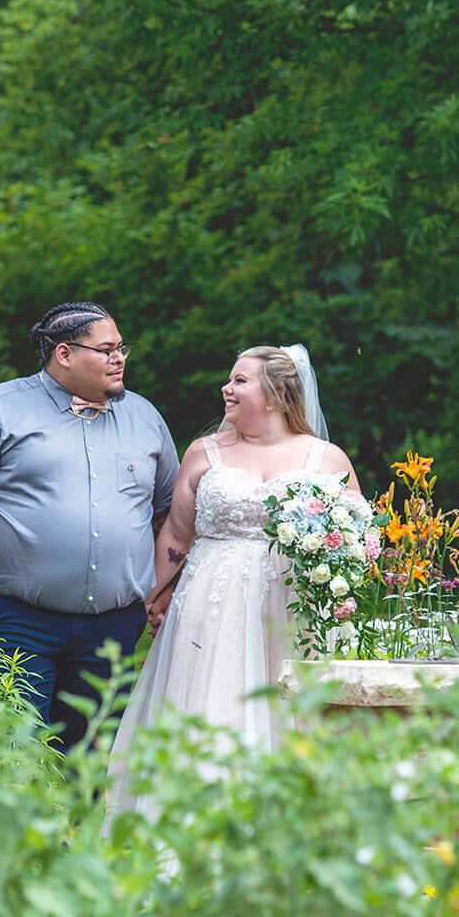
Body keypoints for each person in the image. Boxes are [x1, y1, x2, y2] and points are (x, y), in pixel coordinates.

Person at [107, 345, 359, 810]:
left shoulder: (326, 459)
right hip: (211, 606)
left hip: (293, 611)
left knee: (290, 712)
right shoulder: (204, 453)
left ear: (276, 393)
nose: (226, 388)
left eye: (240, 380)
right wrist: (151, 599)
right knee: (210, 705)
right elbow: (175, 535)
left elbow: (355, 538)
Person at [0, 302, 180, 751]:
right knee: (14, 752)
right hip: (18, 621)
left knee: (92, 760)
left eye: (121, 348)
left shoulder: (145, 417)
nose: (119, 358)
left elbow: (169, 511)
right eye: (106, 350)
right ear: (64, 354)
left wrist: (165, 585)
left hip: (114, 628)